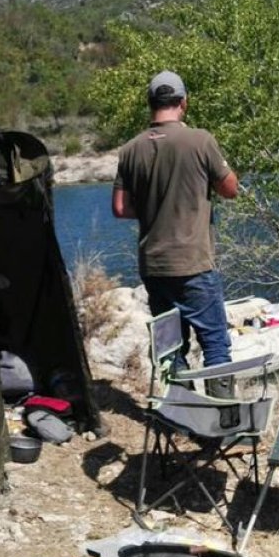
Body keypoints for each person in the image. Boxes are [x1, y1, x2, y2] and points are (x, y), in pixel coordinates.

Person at [112, 70, 239, 368]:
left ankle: (176, 410)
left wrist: (153, 208)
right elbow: (230, 188)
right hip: (193, 263)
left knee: (170, 346)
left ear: (150, 103)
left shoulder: (130, 149)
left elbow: (119, 208)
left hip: (154, 265)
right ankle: (224, 415)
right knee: (215, 344)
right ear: (184, 102)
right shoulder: (200, 140)